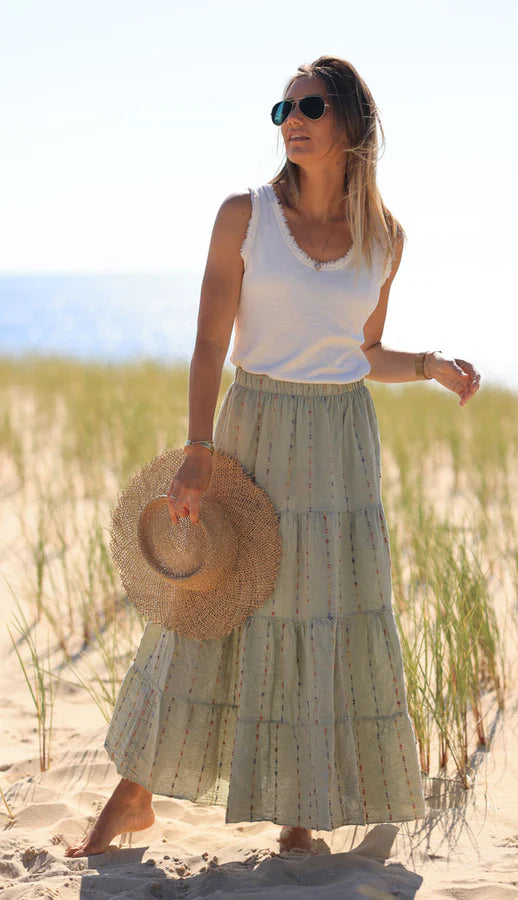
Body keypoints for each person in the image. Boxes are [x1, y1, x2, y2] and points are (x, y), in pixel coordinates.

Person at [66, 54, 480, 859]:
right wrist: (197, 448)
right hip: (254, 432)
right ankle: (132, 796)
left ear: (351, 125)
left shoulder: (385, 239)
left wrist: (428, 366)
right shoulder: (244, 215)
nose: (292, 118)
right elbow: (208, 341)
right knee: (211, 607)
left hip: (339, 447)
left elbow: (360, 351)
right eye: (283, 107)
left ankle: (300, 814)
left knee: (317, 618)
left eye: (311, 105)